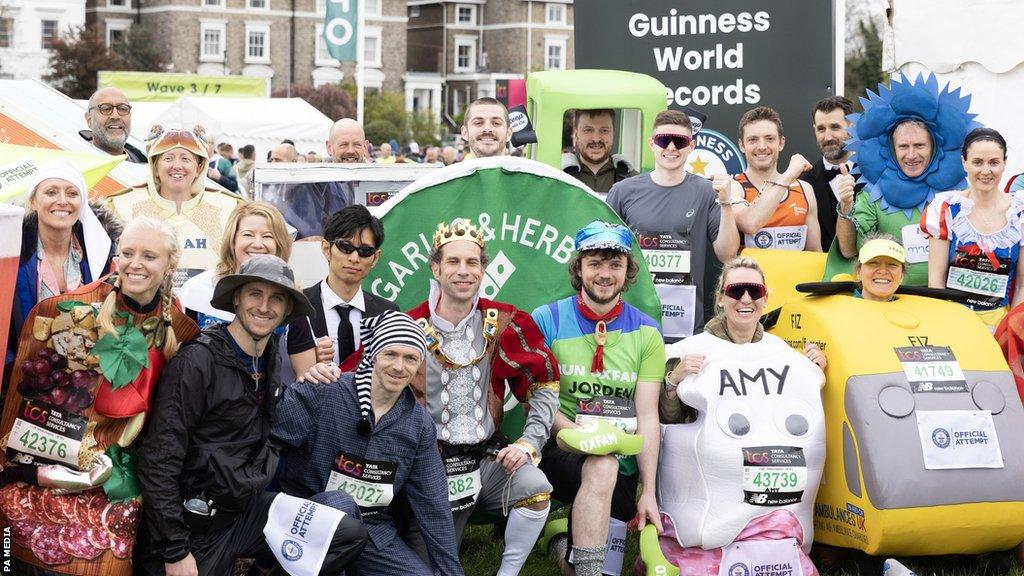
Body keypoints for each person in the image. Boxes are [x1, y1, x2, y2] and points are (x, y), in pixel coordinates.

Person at [136, 255, 368, 576]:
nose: (264, 306)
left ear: (287, 310)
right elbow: (157, 460)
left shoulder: (270, 354)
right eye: (255, 294)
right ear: (236, 298)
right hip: (195, 526)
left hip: (248, 513)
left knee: (346, 534)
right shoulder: (198, 361)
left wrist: (309, 380)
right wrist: (175, 551)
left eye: (276, 298)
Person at [0, 216, 199, 575]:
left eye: (149, 256)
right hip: (48, 485)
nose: (135, 263)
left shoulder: (179, 326)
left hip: (119, 495)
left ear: (170, 266)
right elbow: (21, 413)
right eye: (127, 253)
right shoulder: (65, 310)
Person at [653, 257, 825, 576]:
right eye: (736, 290)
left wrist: (814, 366)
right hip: (709, 509)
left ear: (765, 298)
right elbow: (666, 421)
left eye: (753, 290)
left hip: (778, 499)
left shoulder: (783, 353)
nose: (745, 299)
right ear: (720, 297)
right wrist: (673, 381)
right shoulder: (690, 351)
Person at [405, 218, 558, 576]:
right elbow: (363, 378)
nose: (463, 271)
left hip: (487, 463)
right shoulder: (408, 324)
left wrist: (528, 443)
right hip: (431, 471)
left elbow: (543, 382)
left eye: (472, 262)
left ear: (483, 268)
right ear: (435, 268)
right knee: (430, 568)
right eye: (454, 262)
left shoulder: (503, 320)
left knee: (535, 486)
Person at [273, 311, 463, 576]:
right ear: (373, 355)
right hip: (308, 519)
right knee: (339, 504)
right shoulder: (322, 390)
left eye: (410, 358)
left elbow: (434, 504)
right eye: (390, 355)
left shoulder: (418, 425)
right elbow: (267, 445)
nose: (399, 367)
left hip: (373, 530)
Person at [531, 221, 664, 576]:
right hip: (561, 449)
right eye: (595, 264)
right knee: (601, 464)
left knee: (601, 565)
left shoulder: (647, 332)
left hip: (621, 461)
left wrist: (648, 490)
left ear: (627, 270)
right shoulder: (547, 319)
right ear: (579, 268)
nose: (605, 274)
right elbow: (539, 400)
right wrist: (581, 435)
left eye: (615, 265)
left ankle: (562, 542)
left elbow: (648, 415)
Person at [606, 109, 740, 340]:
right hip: (631, 325)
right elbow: (605, 256)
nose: (670, 147)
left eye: (679, 141)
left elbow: (728, 255)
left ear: (691, 146)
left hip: (685, 328)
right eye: (662, 140)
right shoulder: (622, 191)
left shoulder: (706, 192)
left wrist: (726, 203)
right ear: (651, 143)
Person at [179, 201, 317, 377]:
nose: (257, 244)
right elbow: (178, 358)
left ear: (279, 243)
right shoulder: (196, 290)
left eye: (267, 236)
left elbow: (305, 375)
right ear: (233, 240)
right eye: (248, 234)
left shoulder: (290, 296)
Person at [104, 125, 244, 289]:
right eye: (168, 158)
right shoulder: (121, 205)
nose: (177, 166)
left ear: (199, 168)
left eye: (185, 159)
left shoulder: (229, 207)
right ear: (155, 167)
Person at [10, 162, 120, 366]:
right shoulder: (11, 255)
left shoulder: (103, 256)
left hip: (84, 379)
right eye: (51, 192)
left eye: (72, 193)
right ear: (33, 201)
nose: (62, 201)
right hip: (23, 376)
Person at [921, 127, 1024, 329]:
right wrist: (947, 327)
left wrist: (1010, 331)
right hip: (954, 322)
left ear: (1004, 163)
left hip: (1001, 325)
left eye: (994, 162)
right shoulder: (946, 208)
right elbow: (936, 280)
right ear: (964, 162)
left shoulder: (1020, 212)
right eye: (977, 162)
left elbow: (1022, 284)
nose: (986, 171)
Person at [288, 205, 398, 371]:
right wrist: (308, 359)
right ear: (326, 249)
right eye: (345, 247)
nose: (354, 258)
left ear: (375, 258)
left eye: (364, 251)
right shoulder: (298, 306)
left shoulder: (387, 314)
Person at [720, 106, 821, 252]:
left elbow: (814, 253)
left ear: (781, 143)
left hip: (795, 275)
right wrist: (788, 176)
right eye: (753, 140)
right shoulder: (733, 187)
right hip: (749, 275)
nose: (762, 147)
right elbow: (750, 223)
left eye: (769, 139)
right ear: (742, 145)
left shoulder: (804, 189)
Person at [801, 96, 859, 248]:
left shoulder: (875, 175)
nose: (827, 137)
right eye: (821, 129)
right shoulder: (803, 182)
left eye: (835, 127)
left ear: (851, 127)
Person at [562, 109, 637, 194]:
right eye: (588, 130)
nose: (596, 139)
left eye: (604, 130)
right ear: (576, 134)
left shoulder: (634, 180)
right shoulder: (557, 178)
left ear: (613, 134)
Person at [80, 87, 146, 162]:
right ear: (89, 119)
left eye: (123, 109)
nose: (115, 116)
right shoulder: (74, 164)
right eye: (106, 109)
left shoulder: (146, 165)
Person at [853, 235, 906, 302]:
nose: (883, 271)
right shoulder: (839, 309)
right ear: (858, 272)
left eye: (892, 265)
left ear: (902, 275)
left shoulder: (916, 310)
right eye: (873, 263)